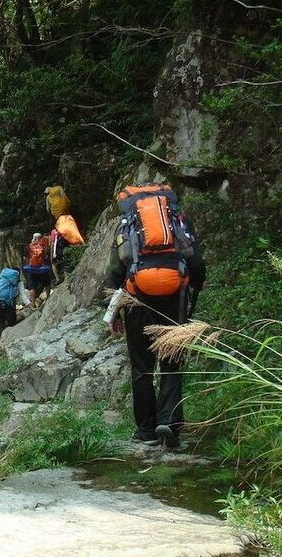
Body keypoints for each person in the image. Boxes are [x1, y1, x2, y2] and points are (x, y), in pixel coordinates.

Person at [107, 183, 206, 449]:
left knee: (141, 368)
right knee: (171, 362)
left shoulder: (126, 227)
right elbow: (196, 262)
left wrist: (114, 313)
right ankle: (169, 422)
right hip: (175, 299)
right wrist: (192, 289)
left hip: (137, 301)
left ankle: (146, 430)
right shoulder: (179, 223)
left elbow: (115, 273)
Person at [22, 232, 52, 307]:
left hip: (31, 269)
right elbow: (45, 254)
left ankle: (33, 303)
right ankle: (48, 297)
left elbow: (25, 257)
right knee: (47, 283)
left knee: (32, 286)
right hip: (42, 268)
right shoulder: (42, 245)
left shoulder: (29, 246)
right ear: (40, 238)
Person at [0, 267, 21, 332]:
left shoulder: (2, 277)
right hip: (7, 306)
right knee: (12, 324)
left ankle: (0, 339)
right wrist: (31, 305)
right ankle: (10, 340)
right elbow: (23, 296)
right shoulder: (17, 282)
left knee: (0, 324)